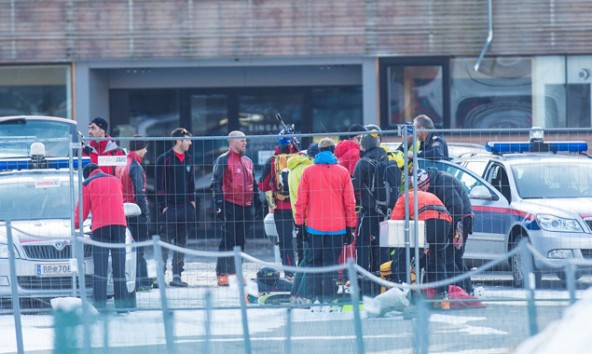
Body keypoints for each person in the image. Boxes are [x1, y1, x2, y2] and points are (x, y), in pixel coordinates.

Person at [294, 138, 357, 302]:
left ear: (319, 151)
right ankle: (329, 297)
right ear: (333, 150)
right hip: (338, 227)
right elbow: (350, 203)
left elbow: (301, 201)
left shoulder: (308, 172)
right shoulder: (342, 172)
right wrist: (350, 227)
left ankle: (315, 297)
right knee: (332, 264)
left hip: (314, 226)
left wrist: (299, 225)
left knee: (315, 263)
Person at [74, 163, 134, 311]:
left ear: (86, 174)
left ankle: (100, 305)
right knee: (119, 267)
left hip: (100, 228)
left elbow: (82, 210)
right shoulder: (115, 180)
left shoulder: (87, 184)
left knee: (100, 269)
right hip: (119, 225)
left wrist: (76, 225)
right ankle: (122, 305)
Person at [390, 171, 453, 309]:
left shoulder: (404, 197)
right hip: (445, 222)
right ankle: (443, 297)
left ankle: (405, 292)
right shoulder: (429, 195)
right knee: (438, 259)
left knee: (404, 256)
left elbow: (395, 222)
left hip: (427, 220)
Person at [211, 130, 261, 286]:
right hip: (229, 204)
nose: (245, 143)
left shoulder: (248, 161)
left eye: (246, 140)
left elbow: (253, 183)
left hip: (245, 206)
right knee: (228, 240)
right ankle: (222, 274)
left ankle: (236, 273)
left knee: (240, 241)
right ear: (232, 142)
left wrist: (258, 202)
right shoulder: (223, 160)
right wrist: (220, 205)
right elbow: (216, 183)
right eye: (242, 140)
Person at [155, 127, 196, 288]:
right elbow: (159, 185)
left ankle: (177, 275)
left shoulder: (189, 159)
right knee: (165, 243)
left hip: (185, 207)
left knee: (181, 243)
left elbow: (192, 182)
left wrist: (192, 202)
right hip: (169, 208)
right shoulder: (164, 159)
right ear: (179, 141)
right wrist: (163, 206)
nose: (190, 143)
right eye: (187, 140)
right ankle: (160, 275)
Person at [424, 167, 474, 293]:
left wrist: (447, 229)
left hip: (460, 221)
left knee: (450, 258)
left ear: (427, 183)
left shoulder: (443, 182)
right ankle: (466, 289)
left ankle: (459, 290)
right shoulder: (436, 181)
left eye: (424, 189)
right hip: (458, 219)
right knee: (455, 258)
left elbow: (457, 207)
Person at [258, 130, 300, 279]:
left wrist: (272, 204)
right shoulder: (302, 158)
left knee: (286, 242)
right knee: (303, 240)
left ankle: (290, 274)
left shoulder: (272, 161)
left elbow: (263, 185)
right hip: (300, 207)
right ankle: (305, 271)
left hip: (281, 208)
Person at [352, 128, 391, 273]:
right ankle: (383, 274)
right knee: (382, 245)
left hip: (368, 210)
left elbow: (354, 186)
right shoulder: (386, 159)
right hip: (385, 211)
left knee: (362, 243)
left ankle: (361, 274)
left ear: (365, 145)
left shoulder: (363, 163)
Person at [116, 135, 152, 292]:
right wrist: (145, 213)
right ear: (141, 148)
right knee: (140, 248)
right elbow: (140, 191)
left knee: (130, 248)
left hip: (122, 210)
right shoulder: (136, 166)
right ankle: (141, 281)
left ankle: (137, 280)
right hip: (135, 211)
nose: (146, 151)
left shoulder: (122, 163)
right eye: (145, 147)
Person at [287, 143, 318, 302]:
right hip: (310, 218)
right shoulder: (309, 169)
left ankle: (295, 293)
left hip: (298, 216)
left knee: (306, 257)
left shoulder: (294, 168)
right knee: (312, 258)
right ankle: (303, 295)